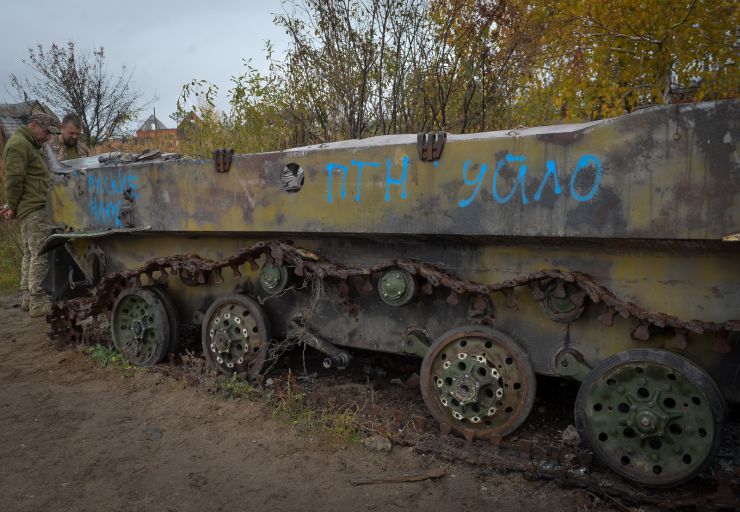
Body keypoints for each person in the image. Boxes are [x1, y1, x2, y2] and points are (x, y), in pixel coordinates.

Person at [2, 113, 60, 317]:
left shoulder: (27, 144)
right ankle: (38, 301)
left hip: (32, 207)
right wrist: (14, 207)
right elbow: (14, 181)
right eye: (46, 132)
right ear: (34, 126)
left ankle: (27, 297)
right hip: (34, 208)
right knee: (40, 253)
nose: (47, 137)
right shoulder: (19, 145)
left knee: (30, 252)